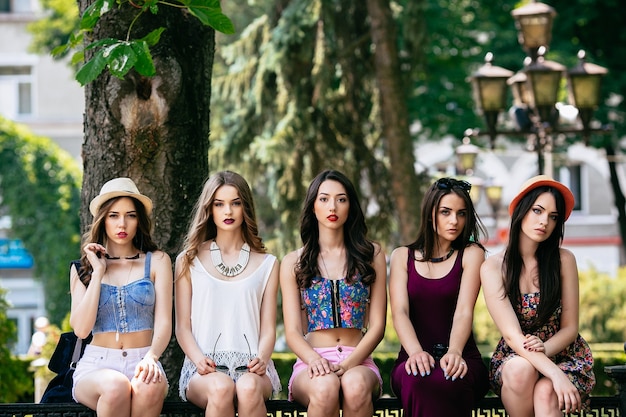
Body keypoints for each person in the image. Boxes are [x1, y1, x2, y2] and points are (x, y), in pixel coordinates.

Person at [480, 175, 595, 416]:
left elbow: (570, 328)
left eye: (553, 217)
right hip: (517, 355)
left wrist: (546, 351)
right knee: (522, 369)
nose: (544, 221)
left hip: (564, 353)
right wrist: (554, 373)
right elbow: (512, 336)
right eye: (537, 211)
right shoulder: (493, 267)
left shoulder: (564, 260)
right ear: (521, 210)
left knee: (546, 392)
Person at [280, 169, 387, 417]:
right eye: (324, 199)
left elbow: (378, 326)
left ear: (351, 206)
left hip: (358, 358)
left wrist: (349, 364)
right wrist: (315, 360)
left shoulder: (372, 255)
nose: (333, 207)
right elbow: (293, 332)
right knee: (326, 386)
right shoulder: (293, 262)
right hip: (312, 360)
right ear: (313, 207)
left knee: (355, 385)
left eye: (341, 199)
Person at [175, 171, 281, 417]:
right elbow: (182, 327)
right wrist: (198, 359)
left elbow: (268, 328)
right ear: (209, 209)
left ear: (246, 207)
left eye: (236, 203)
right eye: (219, 204)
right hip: (203, 369)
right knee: (221, 387)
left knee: (247, 386)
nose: (228, 211)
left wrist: (262, 359)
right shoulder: (187, 261)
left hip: (254, 368)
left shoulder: (268, 264)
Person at [69, 177, 172, 417]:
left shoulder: (157, 261)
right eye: (113, 215)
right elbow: (82, 330)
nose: (122, 223)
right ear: (102, 219)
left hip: (144, 358)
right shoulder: (82, 269)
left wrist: (152, 357)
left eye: (130, 215)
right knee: (115, 387)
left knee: (150, 387)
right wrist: (98, 272)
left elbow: (164, 321)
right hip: (97, 366)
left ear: (139, 221)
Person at [389, 177, 489, 417]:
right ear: (430, 214)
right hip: (411, 357)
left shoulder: (472, 254)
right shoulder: (402, 256)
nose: (454, 221)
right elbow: (399, 312)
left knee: (450, 377)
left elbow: (464, 310)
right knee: (417, 378)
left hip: (462, 356)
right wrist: (415, 352)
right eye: (446, 212)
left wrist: (454, 351)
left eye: (461, 213)